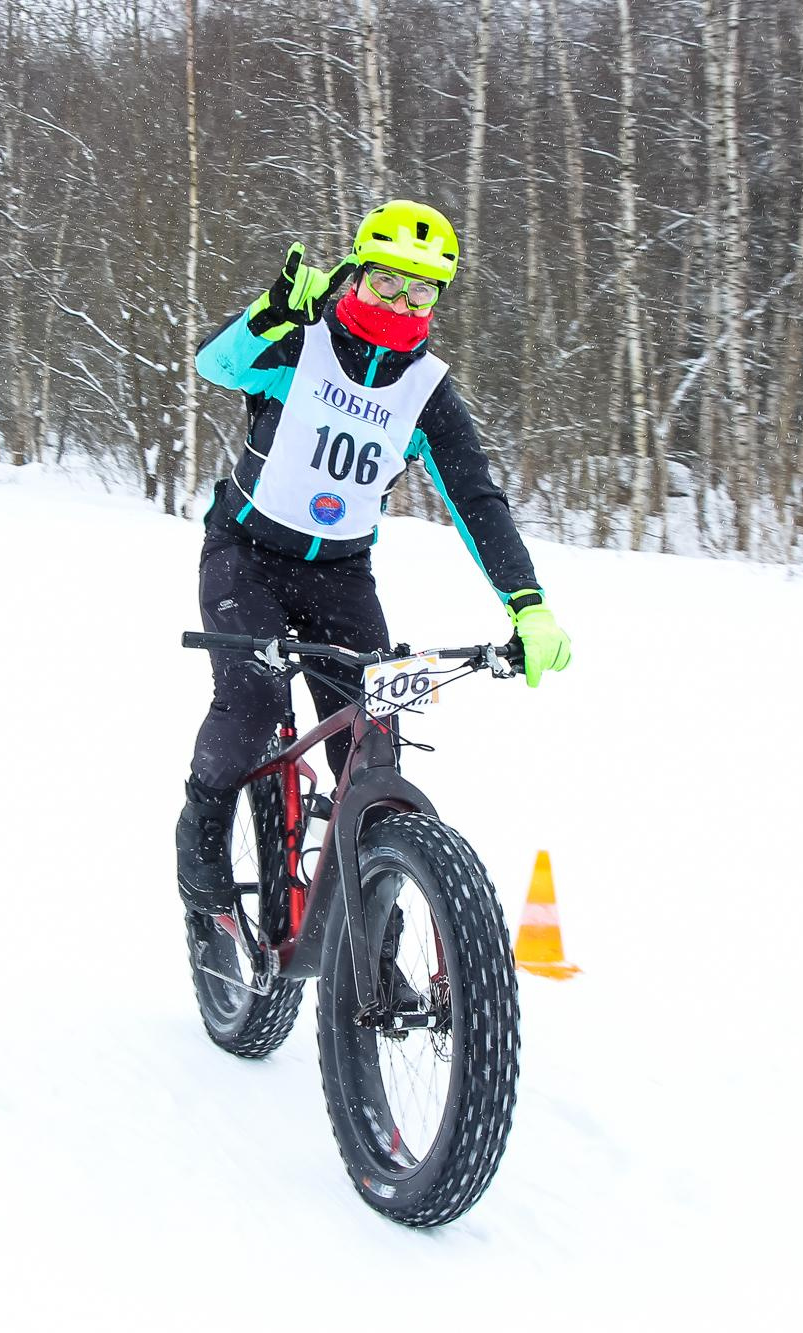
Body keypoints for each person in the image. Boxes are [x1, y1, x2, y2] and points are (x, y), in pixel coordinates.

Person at [175, 199, 572, 915]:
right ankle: (203, 820)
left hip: (341, 576)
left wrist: (529, 605)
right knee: (256, 702)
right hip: (246, 555)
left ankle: (377, 921)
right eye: (387, 279)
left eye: (422, 287)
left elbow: (477, 501)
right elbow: (216, 362)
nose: (402, 299)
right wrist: (270, 310)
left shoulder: (427, 392)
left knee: (372, 740)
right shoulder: (302, 339)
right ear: (355, 271)